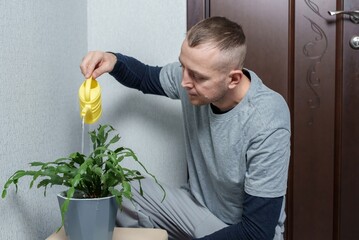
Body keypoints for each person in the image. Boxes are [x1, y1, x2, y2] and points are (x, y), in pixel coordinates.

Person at [80, 16, 291, 240]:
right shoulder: (192, 79)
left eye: (197, 76)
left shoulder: (267, 119)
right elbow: (145, 77)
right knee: (120, 189)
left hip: (245, 232)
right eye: (183, 66)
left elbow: (257, 232)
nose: (184, 82)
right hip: (198, 210)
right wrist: (112, 60)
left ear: (233, 79)